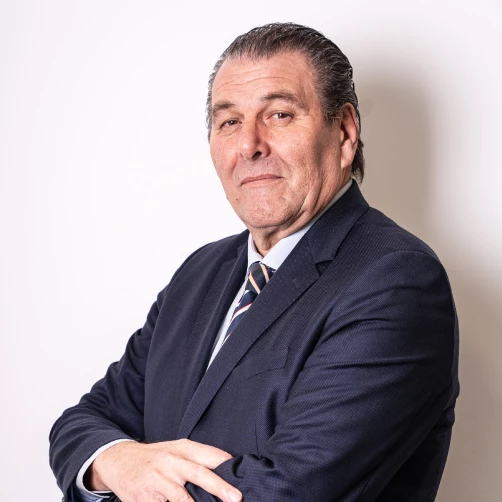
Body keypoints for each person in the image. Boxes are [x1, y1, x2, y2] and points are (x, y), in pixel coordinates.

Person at [49, 22, 459, 502]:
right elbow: (82, 423)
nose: (249, 145)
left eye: (279, 115)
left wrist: (136, 477)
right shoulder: (199, 274)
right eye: (229, 122)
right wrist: (116, 460)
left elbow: (287, 491)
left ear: (345, 133)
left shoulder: (397, 282)